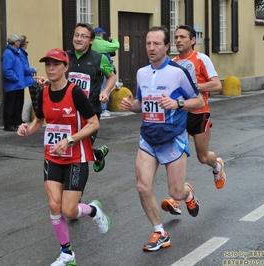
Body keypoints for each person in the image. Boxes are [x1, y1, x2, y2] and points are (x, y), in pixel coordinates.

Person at [17, 48, 110, 266]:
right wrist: (27, 130)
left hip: (76, 157)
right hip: (52, 156)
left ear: (65, 67)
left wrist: (70, 140)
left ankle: (95, 211)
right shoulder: (43, 93)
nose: (50, 68)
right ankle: (67, 254)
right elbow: (39, 121)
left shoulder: (75, 92)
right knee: (53, 205)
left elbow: (94, 123)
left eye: (56, 64)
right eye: (48, 64)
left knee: (69, 210)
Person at [120, 26, 204, 251]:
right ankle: (159, 232)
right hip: (148, 138)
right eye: (148, 43)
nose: (151, 48)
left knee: (175, 192)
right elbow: (141, 104)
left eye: (157, 43)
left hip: (173, 138)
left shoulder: (178, 72)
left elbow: (198, 101)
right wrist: (131, 106)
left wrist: (178, 103)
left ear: (166, 46)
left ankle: (188, 192)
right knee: (142, 187)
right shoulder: (142, 73)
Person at [160, 25, 226, 216]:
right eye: (176, 37)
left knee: (203, 157)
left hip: (199, 113)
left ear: (193, 40)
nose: (178, 40)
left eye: (182, 37)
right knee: (175, 157)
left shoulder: (201, 58)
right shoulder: (172, 63)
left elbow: (217, 85)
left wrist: (194, 85)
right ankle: (178, 197)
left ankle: (217, 165)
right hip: (179, 115)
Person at [66, 23, 117, 172]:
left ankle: (75, 193)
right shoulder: (65, 57)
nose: (79, 39)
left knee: (79, 152)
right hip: (68, 112)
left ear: (91, 41)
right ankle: (98, 154)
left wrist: (105, 91)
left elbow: (112, 77)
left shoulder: (99, 58)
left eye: (83, 36)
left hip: (90, 113)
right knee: (72, 149)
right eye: (76, 35)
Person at [91, 27, 120, 117]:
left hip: (91, 68)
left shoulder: (90, 43)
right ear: (101, 35)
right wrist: (113, 40)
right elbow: (116, 46)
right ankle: (102, 110)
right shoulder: (103, 43)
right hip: (103, 68)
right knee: (104, 88)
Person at [1, 34, 25, 131]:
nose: (20, 42)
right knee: (10, 105)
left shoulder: (16, 52)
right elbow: (7, 70)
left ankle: (16, 122)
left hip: (18, 84)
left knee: (18, 104)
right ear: (15, 42)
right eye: (18, 41)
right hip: (12, 85)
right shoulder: (8, 53)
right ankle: (9, 124)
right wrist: (16, 78)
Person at [18, 35, 39, 113]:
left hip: (26, 79)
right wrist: (33, 70)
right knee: (35, 98)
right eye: (26, 42)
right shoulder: (21, 53)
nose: (27, 43)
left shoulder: (21, 52)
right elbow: (25, 68)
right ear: (23, 43)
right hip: (25, 80)